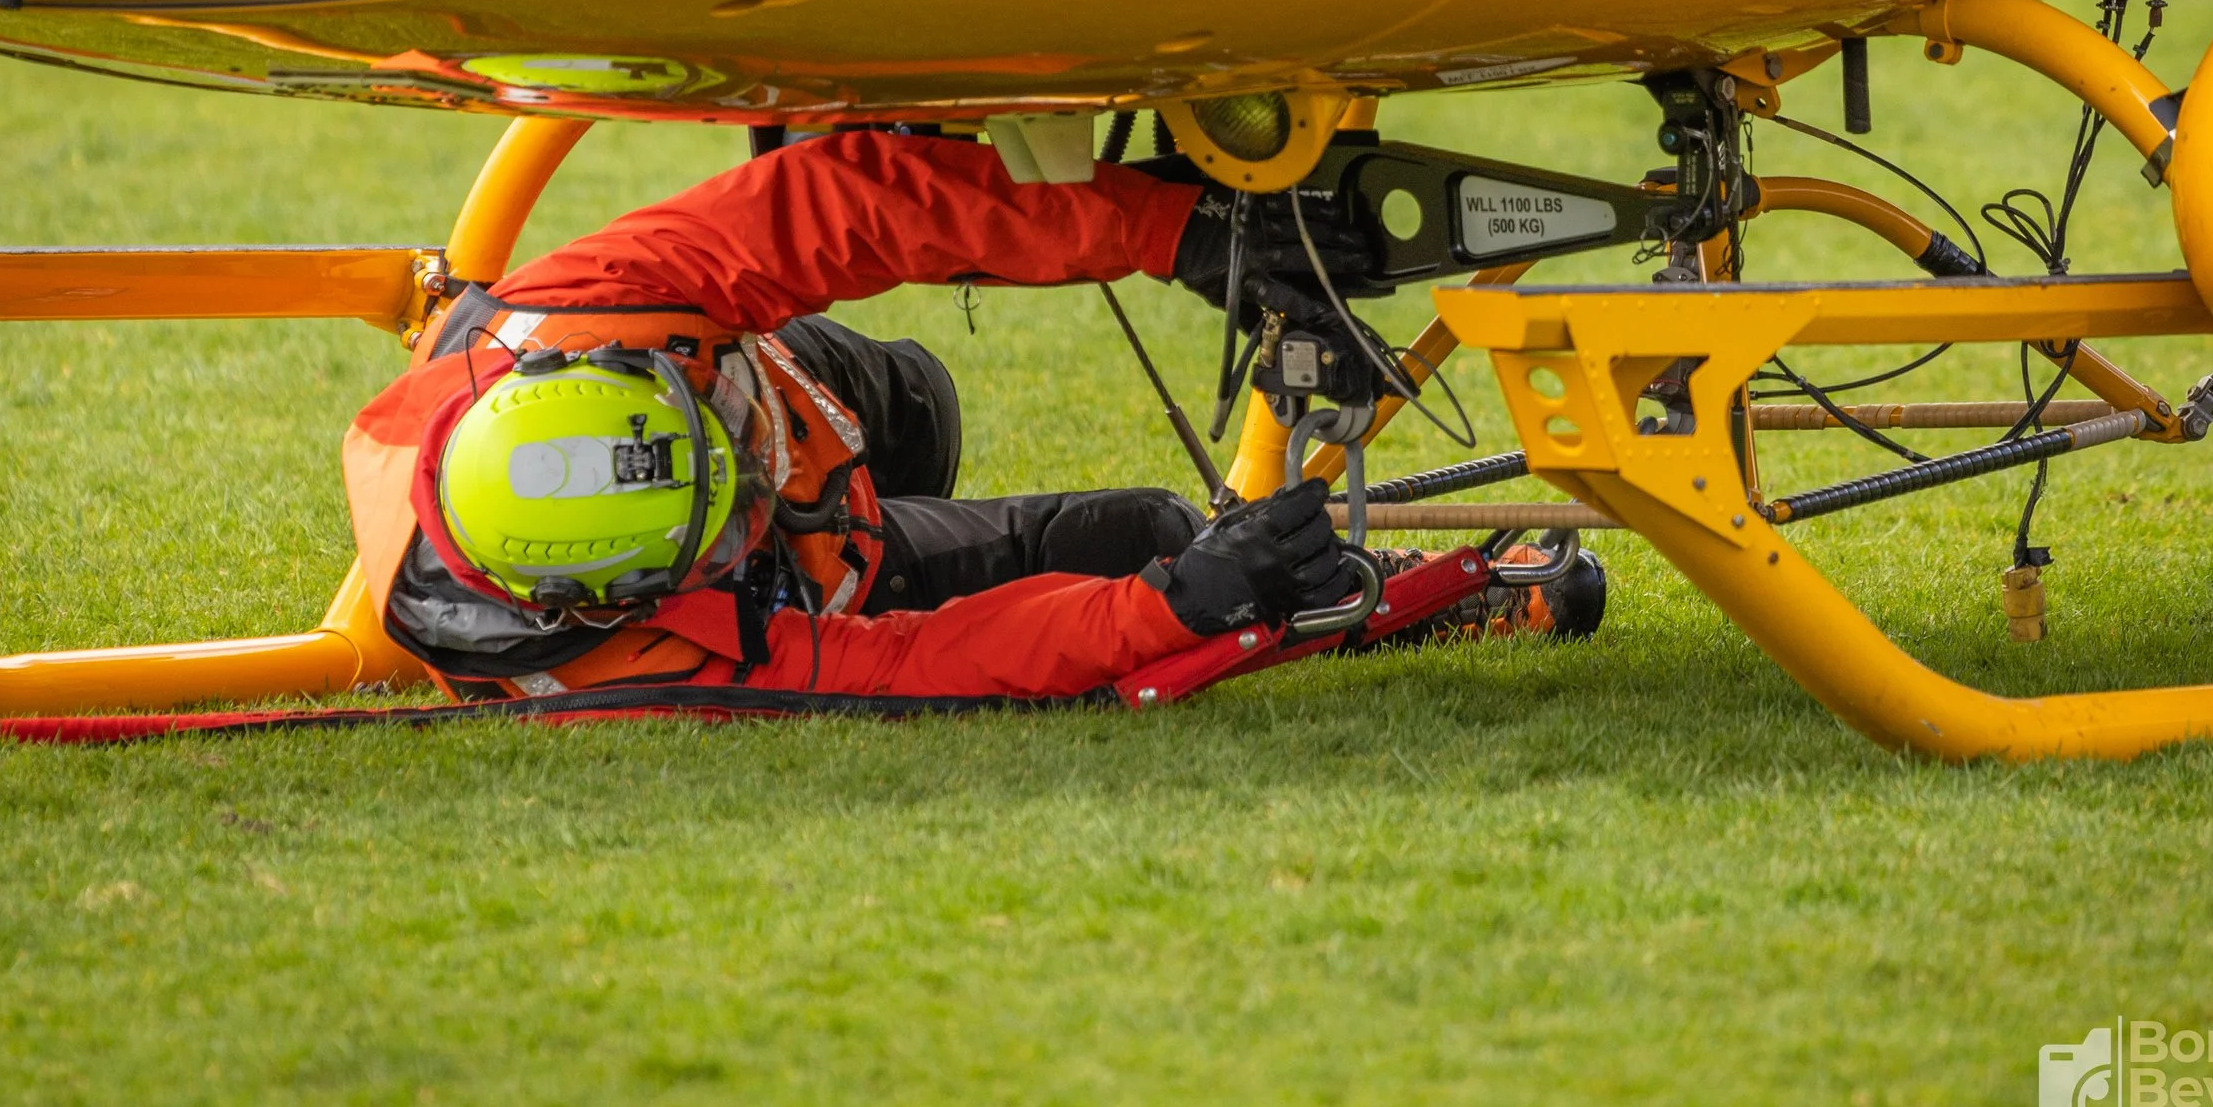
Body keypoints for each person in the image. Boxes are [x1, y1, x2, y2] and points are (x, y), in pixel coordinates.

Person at [341, 130, 1602, 703]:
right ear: (616, 599)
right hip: (825, 575)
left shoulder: (579, 310)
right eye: (733, 506)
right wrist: (1177, 605)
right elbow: (919, 666)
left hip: (791, 407)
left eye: (721, 416)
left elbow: (860, 201)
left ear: (616, 371)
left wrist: (1174, 230)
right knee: (1144, 536)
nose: (761, 462)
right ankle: (1392, 600)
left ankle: (856, 448)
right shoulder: (642, 662)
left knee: (917, 406)